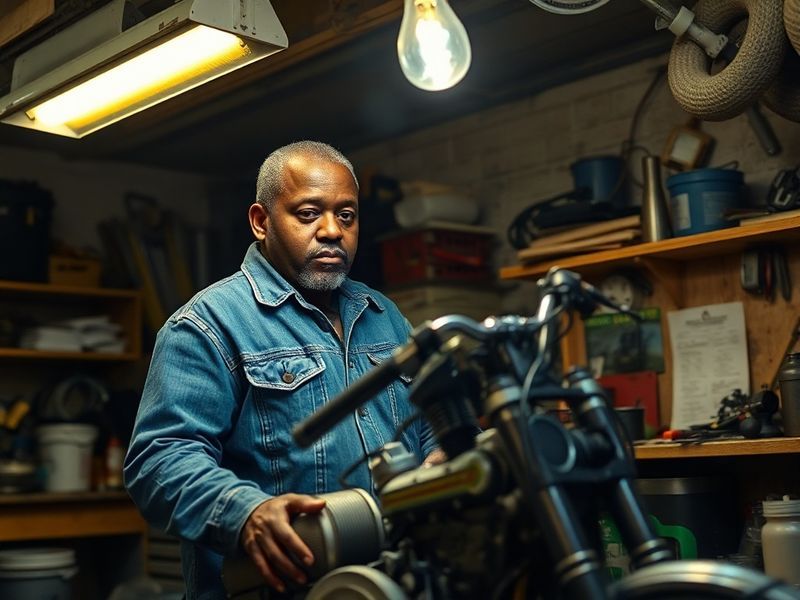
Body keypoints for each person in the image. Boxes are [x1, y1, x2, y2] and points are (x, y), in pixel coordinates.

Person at [124, 141, 442, 599]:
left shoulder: (384, 315)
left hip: (391, 585)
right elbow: (160, 460)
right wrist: (245, 514)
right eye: (309, 214)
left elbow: (431, 417)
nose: (332, 231)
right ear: (261, 221)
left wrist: (444, 456)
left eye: (346, 215)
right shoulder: (207, 325)